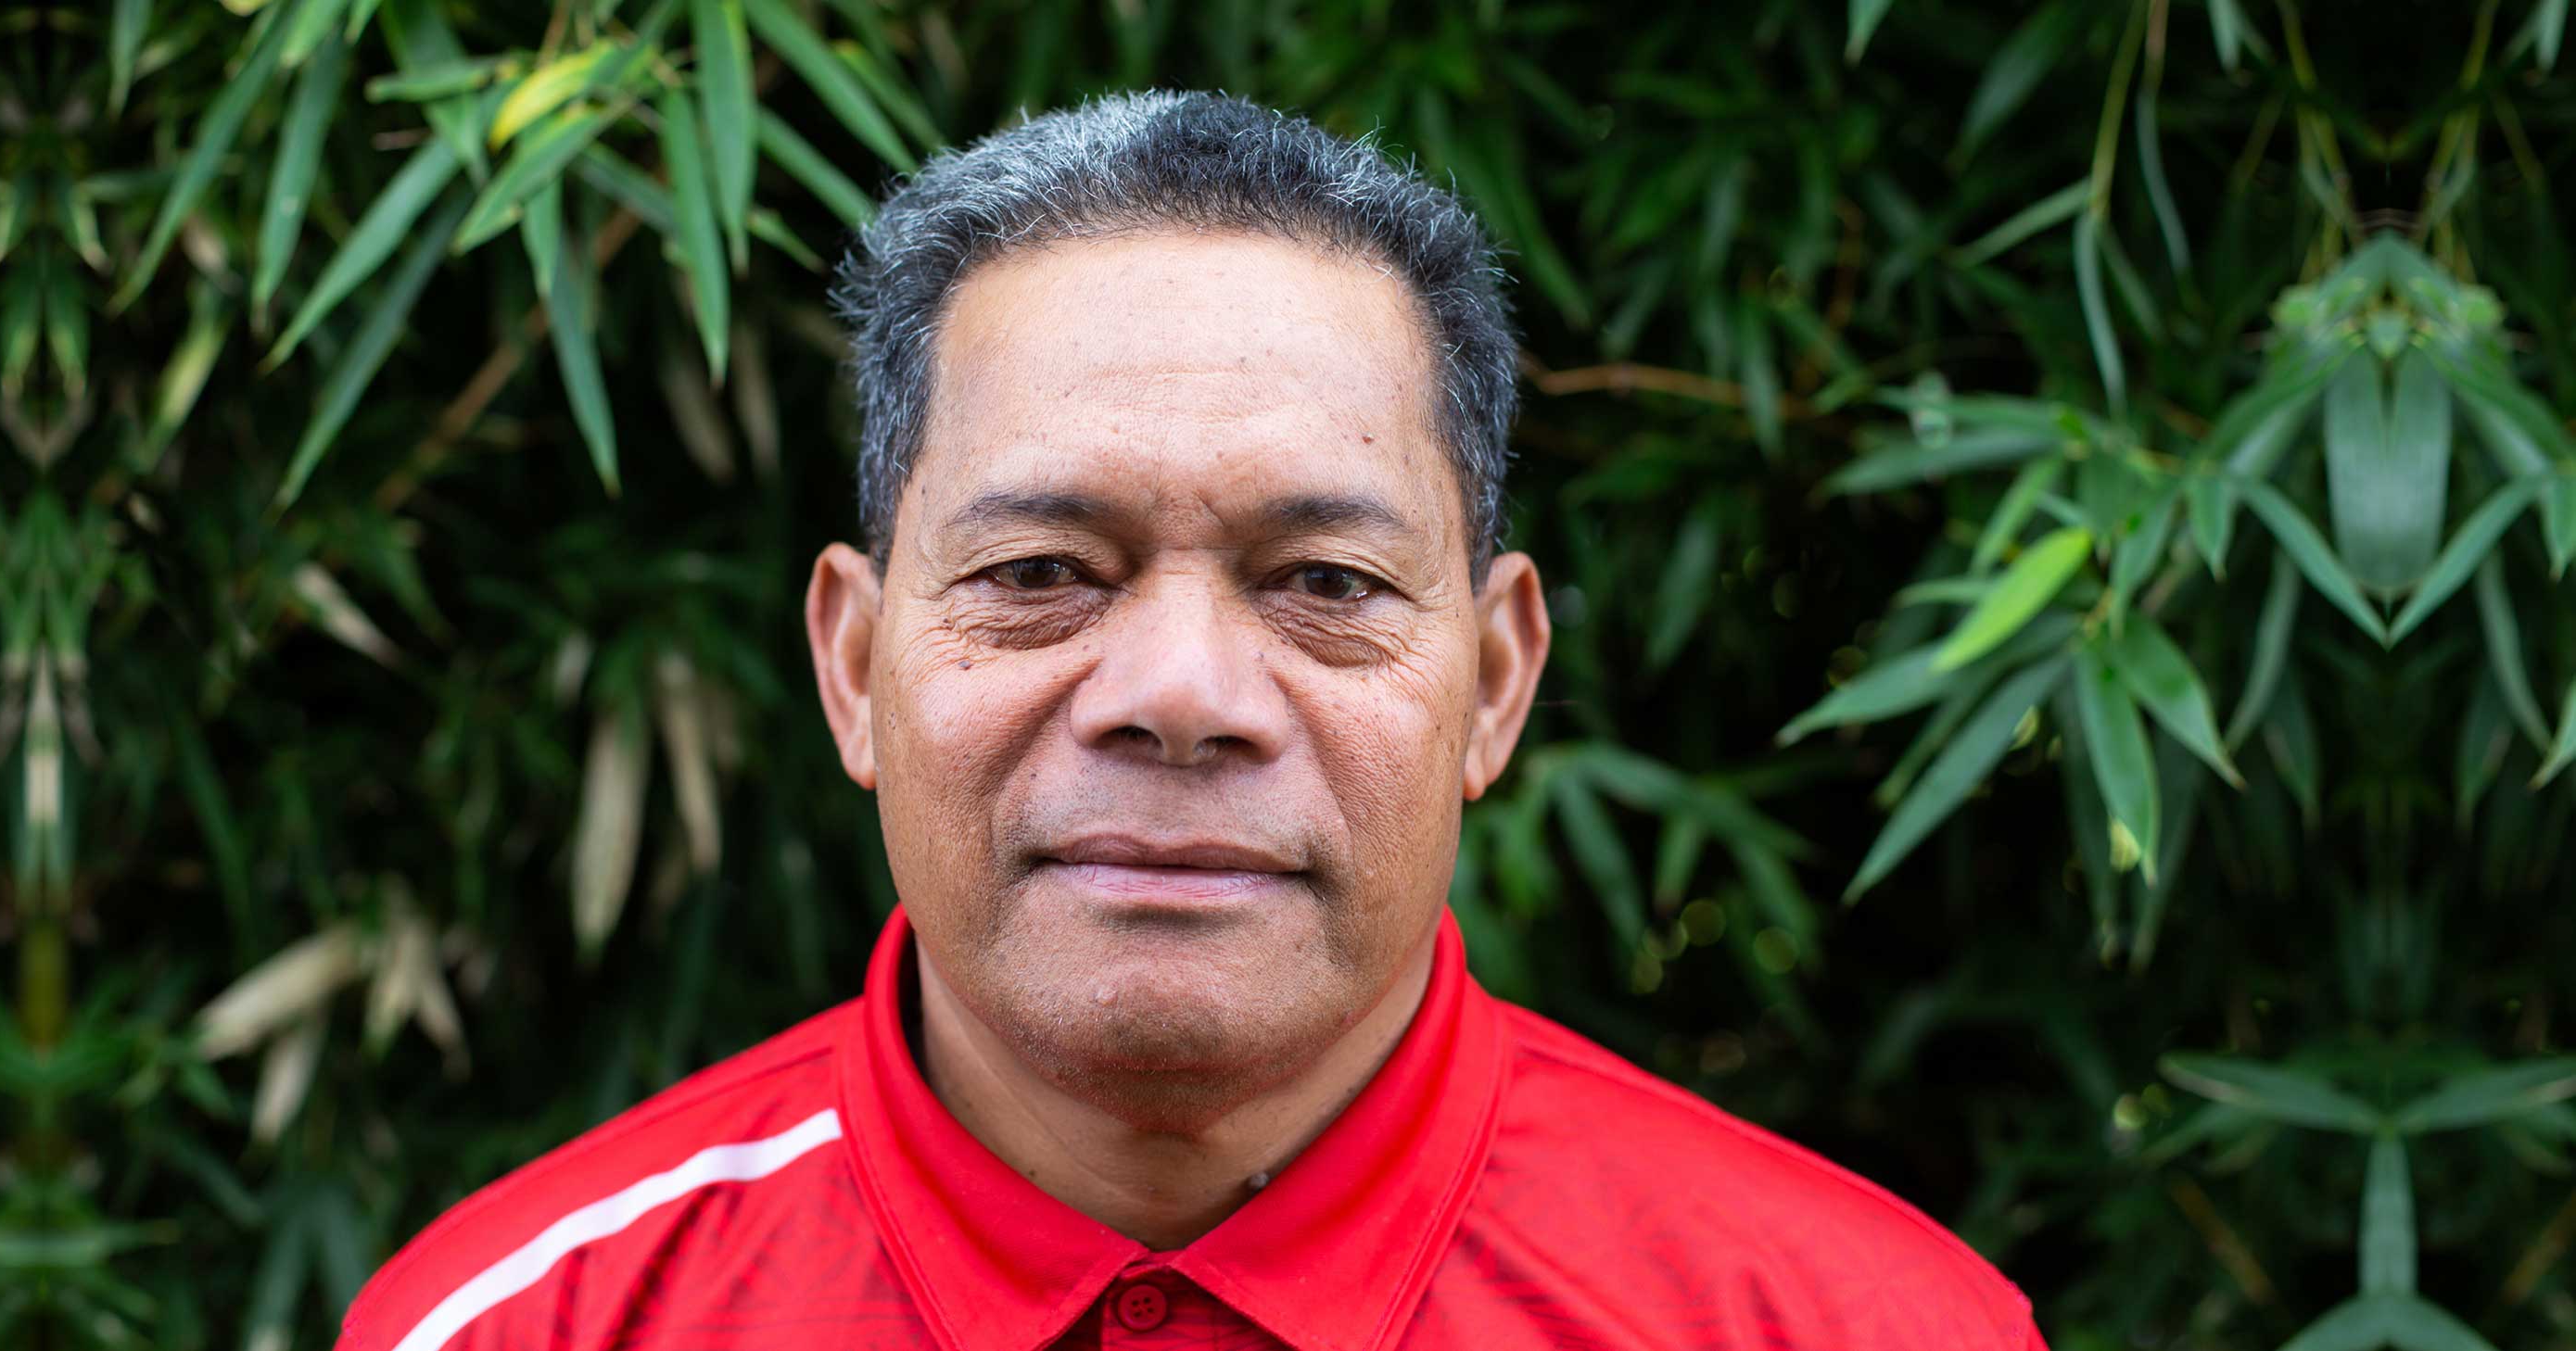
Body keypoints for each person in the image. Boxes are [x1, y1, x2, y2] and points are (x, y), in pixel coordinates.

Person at [333, 90, 2049, 1351]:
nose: (1177, 696)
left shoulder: (1851, 1323)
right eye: (1039, 569)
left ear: (1496, 679)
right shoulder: (524, 1321)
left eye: (1321, 581)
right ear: (855, 664)